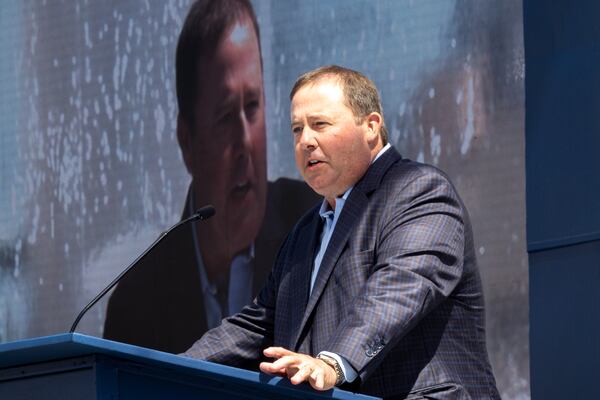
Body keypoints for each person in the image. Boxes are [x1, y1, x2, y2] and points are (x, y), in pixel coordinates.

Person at [182, 65, 500, 399]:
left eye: (320, 124)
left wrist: (334, 363)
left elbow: (397, 291)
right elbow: (255, 327)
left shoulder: (418, 191)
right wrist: (164, 368)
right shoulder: (304, 233)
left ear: (371, 128)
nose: (305, 141)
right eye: (296, 129)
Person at [103, 0, 318, 353]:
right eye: (224, 117)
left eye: (252, 106)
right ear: (187, 141)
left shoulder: (316, 227)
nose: (245, 142)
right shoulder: (138, 302)